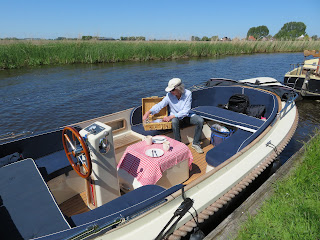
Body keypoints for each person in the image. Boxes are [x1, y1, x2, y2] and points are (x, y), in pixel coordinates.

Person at [142, 78, 204, 154]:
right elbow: (160, 105)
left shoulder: (188, 93)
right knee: (174, 121)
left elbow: (185, 111)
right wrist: (148, 112)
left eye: (172, 90)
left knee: (200, 120)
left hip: (187, 115)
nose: (170, 92)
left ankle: (195, 143)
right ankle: (179, 144)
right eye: (170, 90)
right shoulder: (169, 95)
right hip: (175, 118)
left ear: (179, 88)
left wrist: (170, 117)